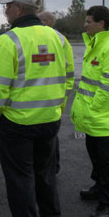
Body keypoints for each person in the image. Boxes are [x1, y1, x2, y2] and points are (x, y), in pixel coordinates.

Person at [0, 0, 72, 217]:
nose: (6, 10)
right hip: (50, 120)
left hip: (17, 125)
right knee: (45, 171)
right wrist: (57, 108)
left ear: (19, 9)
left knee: (20, 178)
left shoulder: (8, 40)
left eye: (8, 6)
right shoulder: (58, 38)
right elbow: (68, 78)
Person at [70, 6, 109, 217]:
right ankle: (98, 188)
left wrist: (94, 108)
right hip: (92, 118)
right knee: (96, 159)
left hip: (104, 120)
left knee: (107, 164)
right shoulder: (96, 43)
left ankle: (107, 204)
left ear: (101, 23)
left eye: (88, 22)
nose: (85, 25)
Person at [37, 11, 75, 174]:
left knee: (42, 143)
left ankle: (48, 169)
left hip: (37, 102)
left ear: (46, 21)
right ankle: (53, 168)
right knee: (50, 140)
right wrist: (62, 101)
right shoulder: (62, 40)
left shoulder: (41, 37)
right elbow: (70, 72)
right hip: (54, 101)